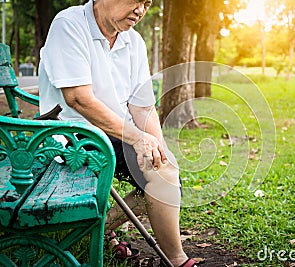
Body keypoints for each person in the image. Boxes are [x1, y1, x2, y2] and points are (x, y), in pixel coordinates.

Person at [38, 0, 197, 266]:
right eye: (136, 0)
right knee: (160, 176)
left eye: (147, 3)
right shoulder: (69, 24)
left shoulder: (133, 42)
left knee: (165, 175)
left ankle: (101, 229)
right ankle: (176, 260)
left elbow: (143, 107)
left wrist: (157, 147)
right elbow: (78, 99)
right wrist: (137, 138)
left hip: (115, 132)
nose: (141, 10)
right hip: (71, 134)